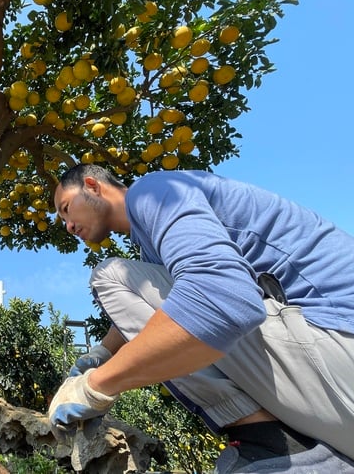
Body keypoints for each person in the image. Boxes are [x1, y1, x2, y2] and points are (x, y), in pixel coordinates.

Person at [48, 164, 354, 473]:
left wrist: (96, 385)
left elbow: (224, 298)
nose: (69, 227)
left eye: (66, 209)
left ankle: (270, 442)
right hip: (330, 375)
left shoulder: (152, 193)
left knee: (110, 276)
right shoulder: (153, 242)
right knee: (148, 294)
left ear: (92, 185)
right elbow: (162, 306)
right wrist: (101, 353)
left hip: (339, 345)